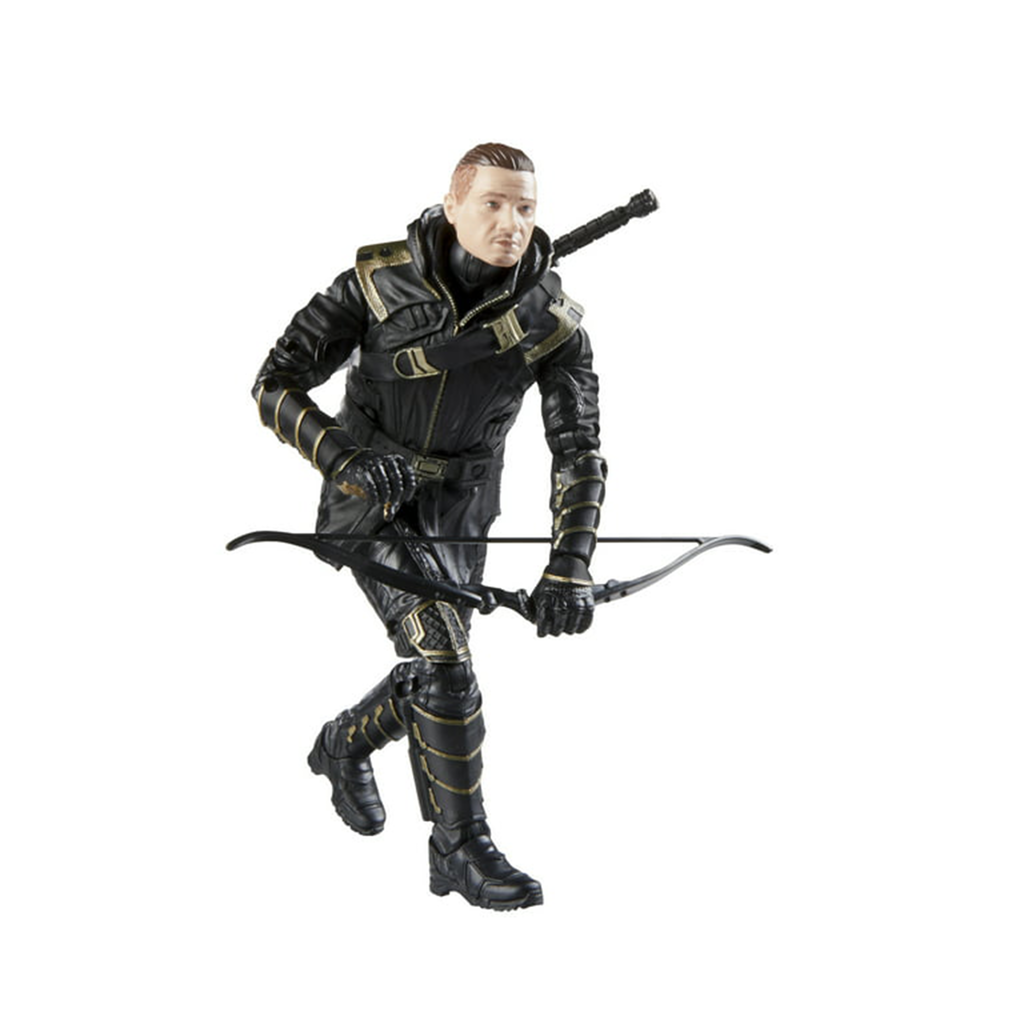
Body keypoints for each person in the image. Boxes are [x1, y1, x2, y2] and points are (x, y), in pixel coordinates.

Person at [252, 143, 606, 911]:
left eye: (526, 208)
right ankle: (457, 846)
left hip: (463, 512)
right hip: (370, 501)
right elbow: (274, 384)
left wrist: (570, 564)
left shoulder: (550, 320)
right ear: (452, 206)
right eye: (492, 204)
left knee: (433, 665)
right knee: (445, 660)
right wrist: (344, 456)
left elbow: (578, 450)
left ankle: (344, 743)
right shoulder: (376, 285)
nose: (511, 223)